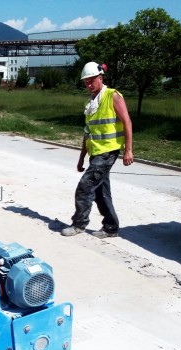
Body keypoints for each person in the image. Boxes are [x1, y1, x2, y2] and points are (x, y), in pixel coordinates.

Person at [61, 62, 133, 239]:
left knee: (85, 187)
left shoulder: (112, 96)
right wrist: (81, 159)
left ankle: (79, 224)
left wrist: (128, 150)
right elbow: (88, 134)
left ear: (100, 78)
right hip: (95, 153)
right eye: (86, 82)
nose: (89, 84)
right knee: (101, 191)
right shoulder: (91, 104)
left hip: (108, 152)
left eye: (92, 80)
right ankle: (111, 227)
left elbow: (127, 122)